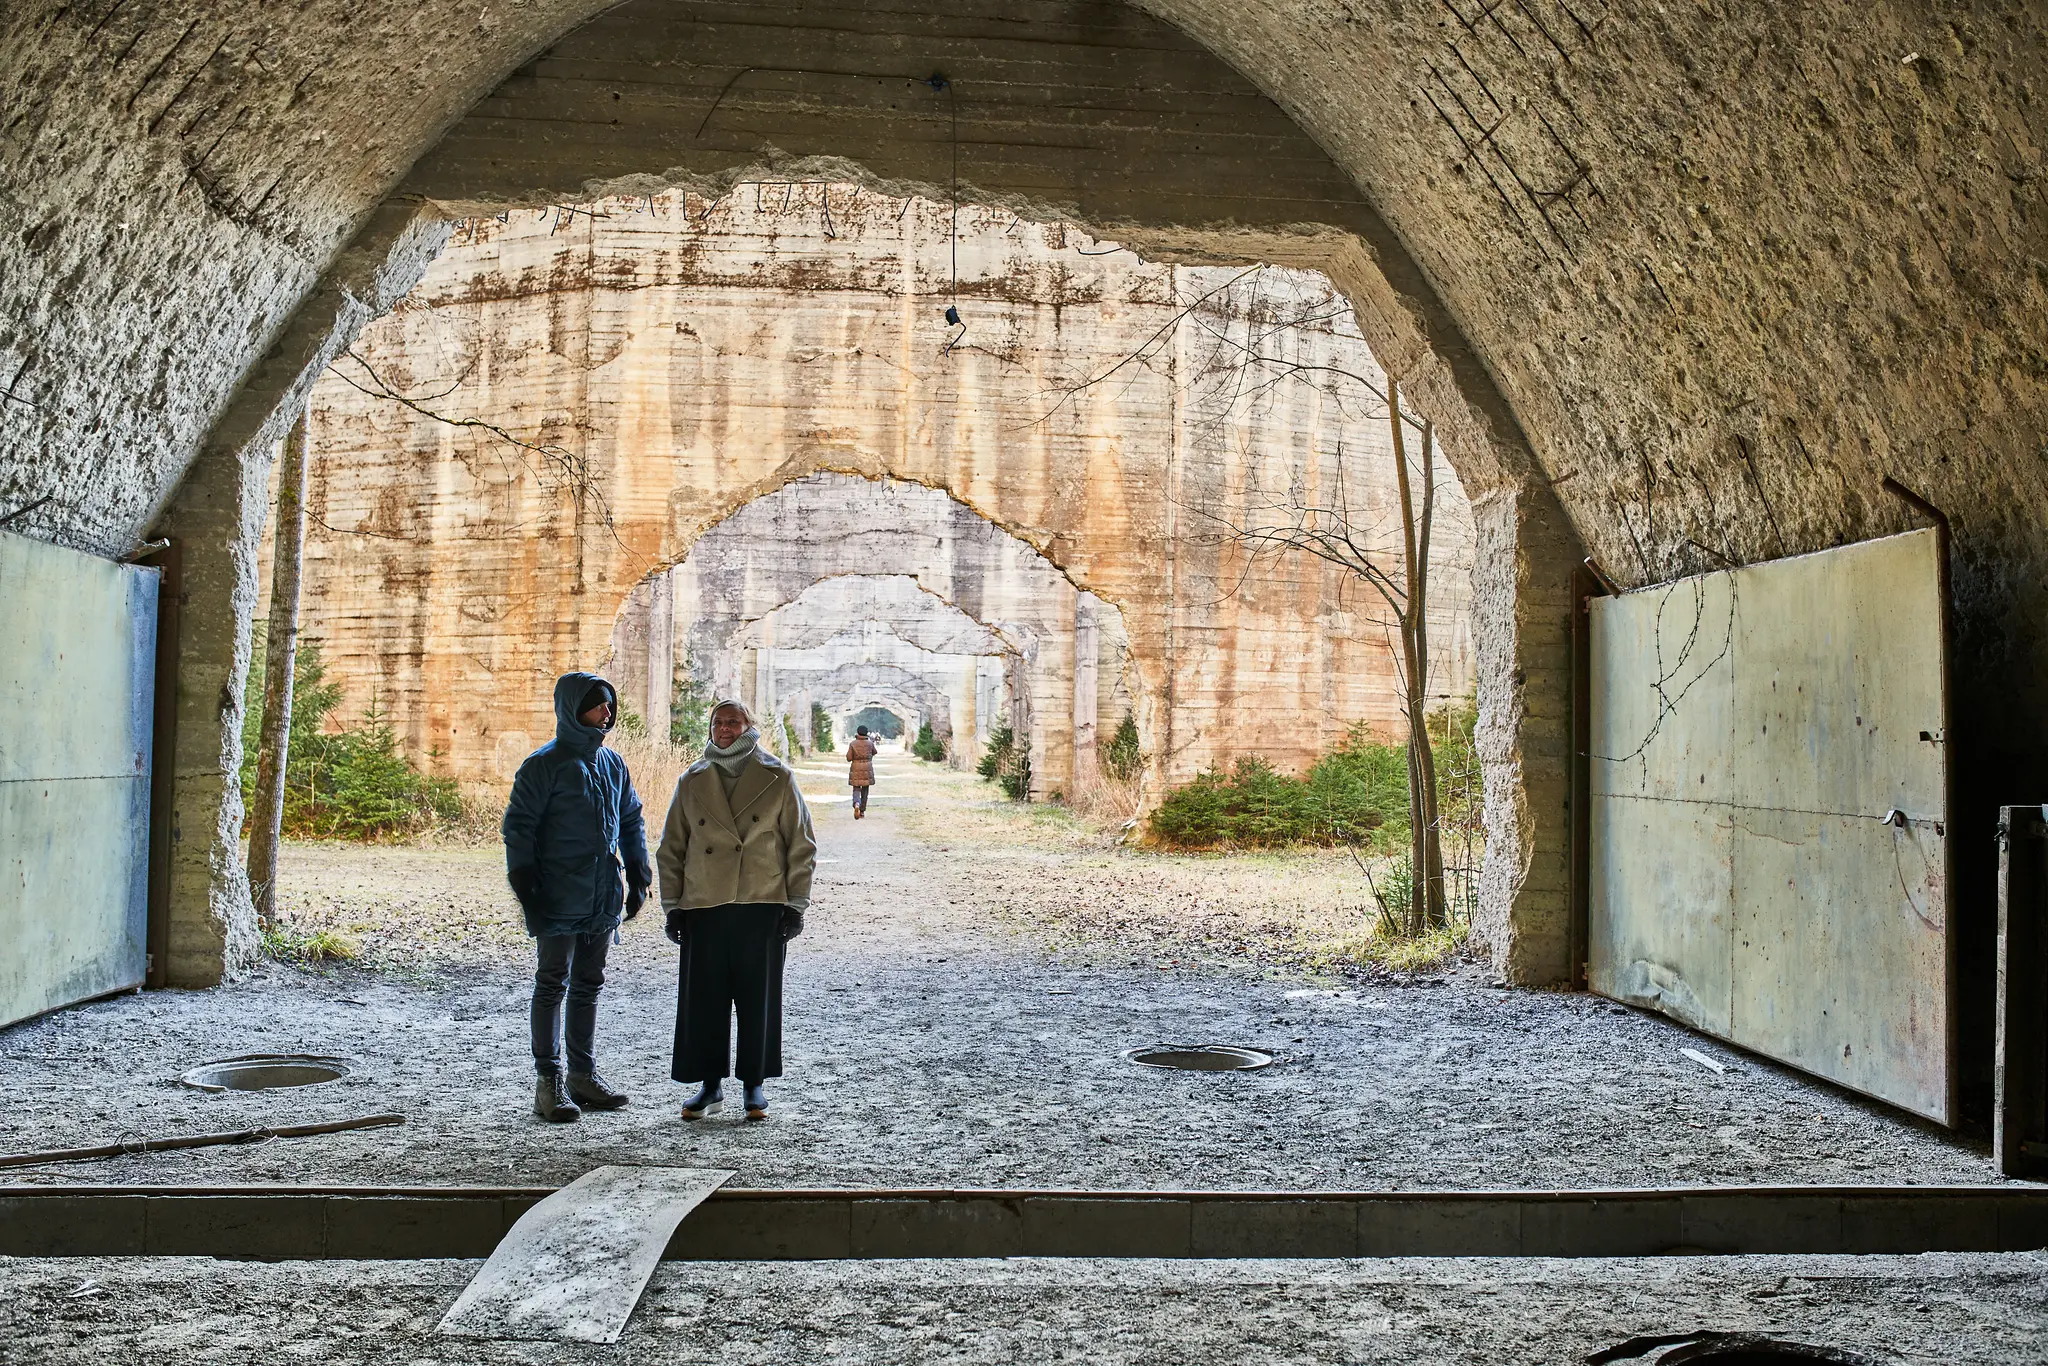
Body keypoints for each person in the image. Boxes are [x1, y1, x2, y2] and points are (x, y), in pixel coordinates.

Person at [657, 699, 817, 1121]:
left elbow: (801, 845)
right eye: (718, 722)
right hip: (704, 903)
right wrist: (672, 905)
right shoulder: (692, 779)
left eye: (733, 721)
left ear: (749, 727)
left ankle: (754, 1084)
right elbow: (671, 847)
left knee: (757, 999)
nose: (724, 728)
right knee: (703, 1000)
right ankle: (709, 1086)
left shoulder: (778, 776)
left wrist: (796, 903)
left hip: (760, 902)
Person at [503, 671, 650, 1123]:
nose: (607, 713)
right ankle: (549, 1081)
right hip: (558, 893)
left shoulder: (612, 763)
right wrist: (526, 884)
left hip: (603, 893)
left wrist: (640, 872)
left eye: (609, 705)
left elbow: (630, 819)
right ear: (573, 709)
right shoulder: (543, 765)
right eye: (598, 705)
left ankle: (582, 1077)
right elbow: (519, 827)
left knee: (589, 984)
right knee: (552, 982)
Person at [845, 724, 877, 819]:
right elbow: (875, 752)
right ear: (866, 733)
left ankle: (856, 803)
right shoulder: (870, 743)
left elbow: (849, 758)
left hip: (855, 767)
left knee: (856, 788)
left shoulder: (853, 744)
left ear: (857, 732)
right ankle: (862, 811)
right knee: (865, 790)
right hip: (867, 767)